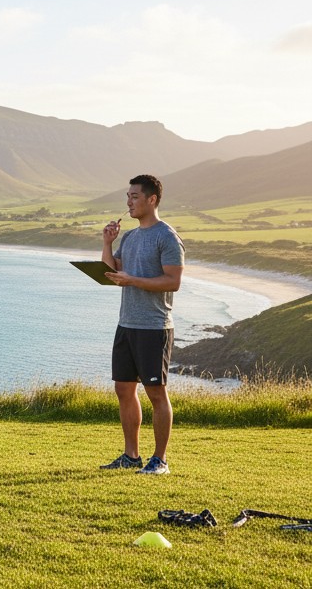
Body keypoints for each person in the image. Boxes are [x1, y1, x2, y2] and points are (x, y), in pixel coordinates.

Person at [99, 174, 184, 476]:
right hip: (127, 323)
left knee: (156, 393)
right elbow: (112, 272)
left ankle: (160, 460)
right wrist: (107, 243)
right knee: (124, 389)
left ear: (152, 199)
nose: (129, 202)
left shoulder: (167, 237)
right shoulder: (130, 237)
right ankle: (131, 455)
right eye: (128, 196)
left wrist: (133, 280)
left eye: (134, 196)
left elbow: (173, 282)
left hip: (154, 327)